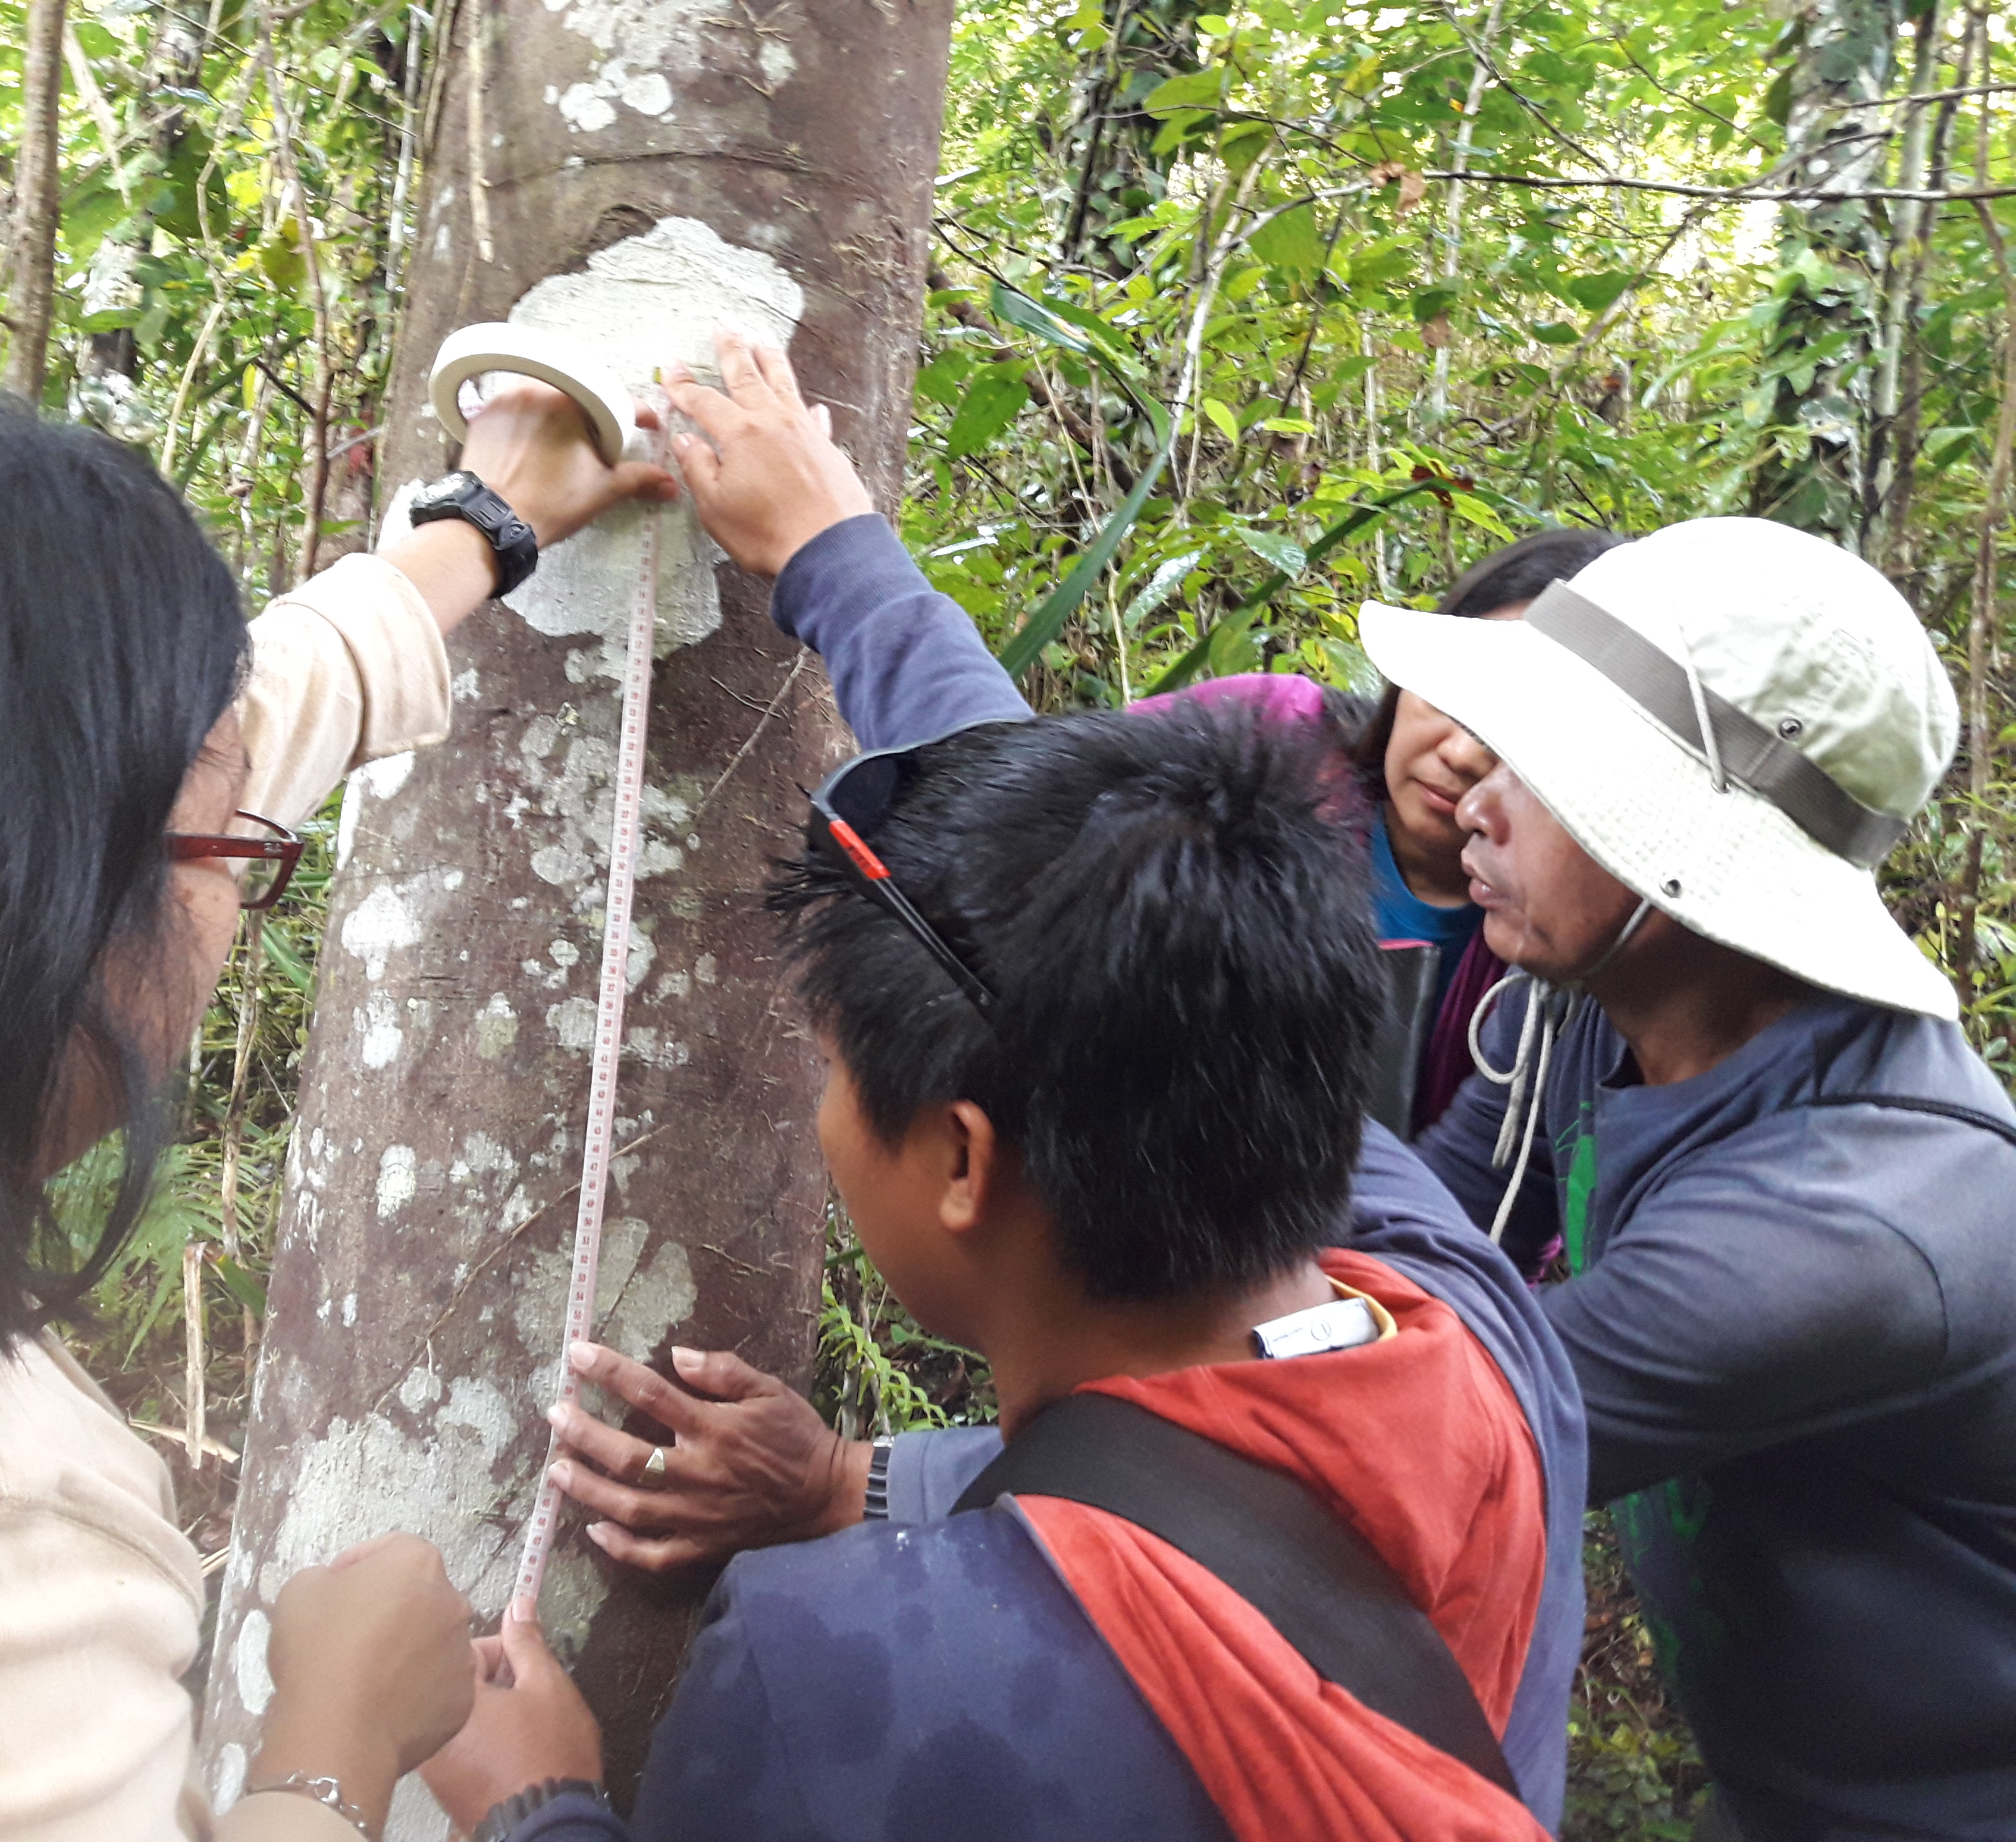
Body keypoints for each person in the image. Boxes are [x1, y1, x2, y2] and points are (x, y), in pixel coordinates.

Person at [0, 383, 672, 1837]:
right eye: (217, 838)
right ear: (29, 910)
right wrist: (333, 1742)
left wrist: (476, 529)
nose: (224, 877)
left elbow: (162, 756)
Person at [410, 705, 1589, 1841]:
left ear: (963, 1158)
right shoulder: (1476, 1347)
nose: (826, 1115)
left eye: (830, 1069)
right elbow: (1233, 1452)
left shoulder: (836, 1671)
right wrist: (843, 1481)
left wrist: (535, 1806)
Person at [1355, 519, 2016, 1840]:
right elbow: (1426, 1216)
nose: (1477, 797)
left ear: (1673, 855)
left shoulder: (1852, 1229)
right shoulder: (1602, 1001)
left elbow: (1390, 1447)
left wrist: (882, 1491)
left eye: (1543, 773)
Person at [654, 328, 1622, 1133]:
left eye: (1526, 735)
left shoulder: (1563, 976)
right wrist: (834, 558)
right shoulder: (1277, 740)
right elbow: (1021, 810)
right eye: (1462, 695)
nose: (1464, 752)